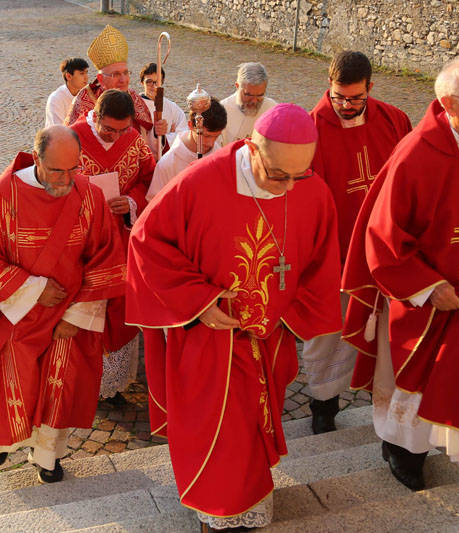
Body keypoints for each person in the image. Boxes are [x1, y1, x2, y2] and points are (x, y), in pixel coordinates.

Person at [127, 104, 342, 531]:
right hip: (211, 339)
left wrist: (292, 312)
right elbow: (146, 244)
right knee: (218, 431)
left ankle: (251, 500)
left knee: (253, 428)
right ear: (252, 147)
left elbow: (320, 260)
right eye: (278, 174)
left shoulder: (310, 190)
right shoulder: (200, 183)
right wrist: (200, 302)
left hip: (268, 338)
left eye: (297, 176)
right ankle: (216, 511)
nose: (287, 188)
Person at [341, 56, 459, 492]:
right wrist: (429, 289)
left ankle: (438, 438)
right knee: (417, 381)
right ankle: (402, 449)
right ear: (449, 103)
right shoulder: (415, 155)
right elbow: (384, 238)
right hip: (426, 300)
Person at [0, 125, 127, 483]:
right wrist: (32, 289)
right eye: (56, 170)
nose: (66, 179)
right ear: (36, 159)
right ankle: (3, 442)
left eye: (73, 169)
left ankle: (47, 455)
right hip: (16, 315)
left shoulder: (89, 196)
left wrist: (78, 315)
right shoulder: (2, 195)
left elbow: (106, 258)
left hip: (69, 314)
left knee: (58, 385)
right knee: (11, 379)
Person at [303, 51, 412, 434]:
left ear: (370, 88)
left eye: (355, 98)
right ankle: (323, 404)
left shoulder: (394, 119)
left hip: (385, 251)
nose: (346, 106)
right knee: (329, 331)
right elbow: (302, 197)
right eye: (338, 97)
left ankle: (385, 402)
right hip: (335, 254)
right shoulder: (311, 128)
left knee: (387, 328)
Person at [71, 89, 156, 402]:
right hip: (81, 244)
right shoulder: (73, 138)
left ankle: (113, 383)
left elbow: (149, 179)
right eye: (109, 130)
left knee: (119, 308)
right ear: (95, 116)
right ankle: (83, 380)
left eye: (122, 130)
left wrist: (132, 202)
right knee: (85, 311)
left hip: (120, 238)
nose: (116, 136)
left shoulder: (133, 138)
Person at [64, 25, 154, 140]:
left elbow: (148, 139)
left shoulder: (134, 99)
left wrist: (157, 132)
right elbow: (70, 139)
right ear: (100, 79)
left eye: (126, 73)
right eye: (116, 74)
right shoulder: (85, 99)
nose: (123, 80)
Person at [146, 97, 227, 202]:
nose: (211, 143)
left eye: (215, 136)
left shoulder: (221, 158)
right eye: (205, 136)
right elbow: (155, 204)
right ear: (190, 125)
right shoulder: (168, 164)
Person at [138, 62, 189, 159]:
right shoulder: (136, 106)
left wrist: (165, 138)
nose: (154, 86)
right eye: (149, 82)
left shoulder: (171, 107)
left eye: (157, 82)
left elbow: (183, 133)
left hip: (167, 159)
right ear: (142, 82)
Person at [219, 62, 277, 146]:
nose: (254, 101)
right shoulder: (222, 111)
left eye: (260, 95)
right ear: (237, 86)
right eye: (248, 95)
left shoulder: (272, 109)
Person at [45, 57, 89, 127]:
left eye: (86, 72)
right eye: (81, 73)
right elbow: (58, 129)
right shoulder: (56, 99)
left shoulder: (87, 94)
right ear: (68, 76)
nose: (86, 77)